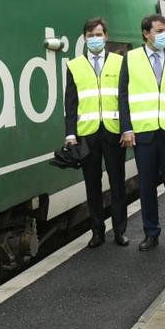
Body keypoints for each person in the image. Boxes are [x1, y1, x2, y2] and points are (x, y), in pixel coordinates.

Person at [120, 14, 165, 252]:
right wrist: (126, 128)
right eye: (159, 31)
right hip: (144, 133)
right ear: (146, 33)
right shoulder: (130, 59)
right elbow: (123, 96)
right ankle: (151, 232)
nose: (164, 35)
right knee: (146, 186)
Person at [64, 17, 129, 249]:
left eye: (98, 34)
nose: (95, 39)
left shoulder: (119, 63)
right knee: (92, 185)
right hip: (87, 135)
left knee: (117, 183)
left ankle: (120, 231)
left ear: (106, 36)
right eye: (90, 35)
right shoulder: (74, 66)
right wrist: (70, 134)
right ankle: (97, 232)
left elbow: (124, 99)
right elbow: (70, 104)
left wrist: (127, 128)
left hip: (113, 132)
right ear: (84, 38)